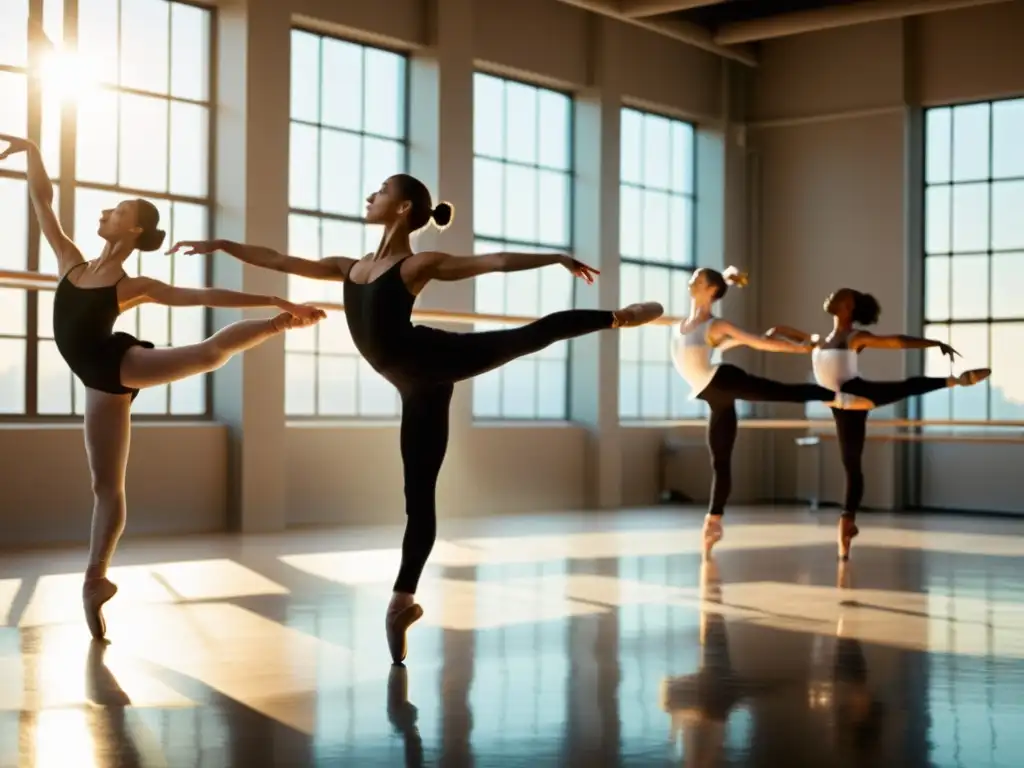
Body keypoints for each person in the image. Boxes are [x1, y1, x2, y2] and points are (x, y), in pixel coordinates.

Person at [167, 172, 664, 663]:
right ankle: (402, 602)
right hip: (415, 385)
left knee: (533, 333)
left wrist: (552, 257)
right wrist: (222, 243)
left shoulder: (416, 264)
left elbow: (492, 261)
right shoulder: (350, 266)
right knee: (418, 497)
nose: (370, 195)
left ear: (404, 208)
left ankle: (619, 317)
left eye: (381, 191)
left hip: (433, 358)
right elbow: (279, 260)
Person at [1, 134, 325, 641]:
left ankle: (278, 325)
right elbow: (42, 200)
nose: (106, 212)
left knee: (206, 353)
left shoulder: (134, 286)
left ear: (135, 228)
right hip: (96, 381)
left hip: (117, 362)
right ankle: (95, 580)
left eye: (118, 209)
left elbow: (202, 296)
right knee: (106, 486)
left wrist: (275, 298)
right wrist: (32, 150)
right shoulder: (71, 261)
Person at [765, 287, 990, 559]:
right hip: (841, 405)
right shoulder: (820, 340)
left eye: (838, 295)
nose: (830, 296)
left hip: (857, 393)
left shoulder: (854, 337)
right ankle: (847, 525)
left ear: (848, 307)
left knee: (905, 387)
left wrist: (933, 343)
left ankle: (956, 380)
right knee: (851, 464)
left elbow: (896, 341)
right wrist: (777, 330)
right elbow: (797, 336)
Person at [672, 266, 839, 556]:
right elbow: (712, 291)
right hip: (712, 394)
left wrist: (801, 349)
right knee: (720, 460)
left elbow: (759, 342)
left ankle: (835, 394)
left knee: (781, 392)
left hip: (723, 381)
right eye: (693, 277)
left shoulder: (716, 325)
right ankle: (714, 522)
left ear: (710, 290)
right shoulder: (679, 323)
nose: (691, 281)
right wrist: (725, 278)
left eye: (698, 279)